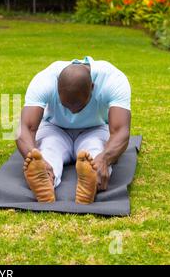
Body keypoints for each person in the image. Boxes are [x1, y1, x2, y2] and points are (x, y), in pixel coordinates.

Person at [16, 56, 131, 204]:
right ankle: (45, 180)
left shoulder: (113, 80)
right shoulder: (44, 80)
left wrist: (104, 159)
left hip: (95, 128)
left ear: (92, 88)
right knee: (48, 152)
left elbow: (120, 130)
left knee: (95, 154)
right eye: (66, 105)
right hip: (54, 127)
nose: (73, 112)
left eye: (78, 106)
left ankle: (91, 180)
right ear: (57, 88)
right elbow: (25, 127)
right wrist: (32, 154)